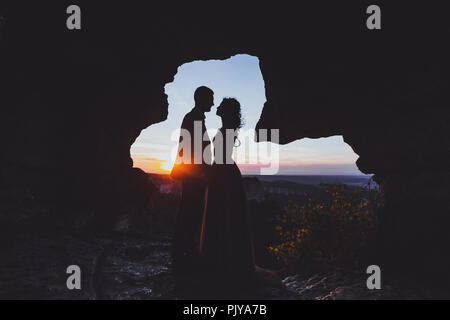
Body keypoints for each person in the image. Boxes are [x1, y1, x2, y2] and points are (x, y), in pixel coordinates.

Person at [198, 98, 257, 297]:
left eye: (221, 106)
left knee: (223, 216)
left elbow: (221, 155)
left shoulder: (227, 129)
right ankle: (224, 261)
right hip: (224, 172)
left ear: (227, 111)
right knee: (225, 216)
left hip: (223, 173)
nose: (217, 107)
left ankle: (222, 263)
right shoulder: (227, 128)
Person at [171, 86, 213, 281]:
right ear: (201, 99)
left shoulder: (194, 117)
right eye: (210, 98)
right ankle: (183, 249)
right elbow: (187, 147)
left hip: (195, 173)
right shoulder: (193, 118)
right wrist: (201, 171)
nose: (212, 102)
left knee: (191, 209)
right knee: (190, 210)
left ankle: (183, 247)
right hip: (195, 174)